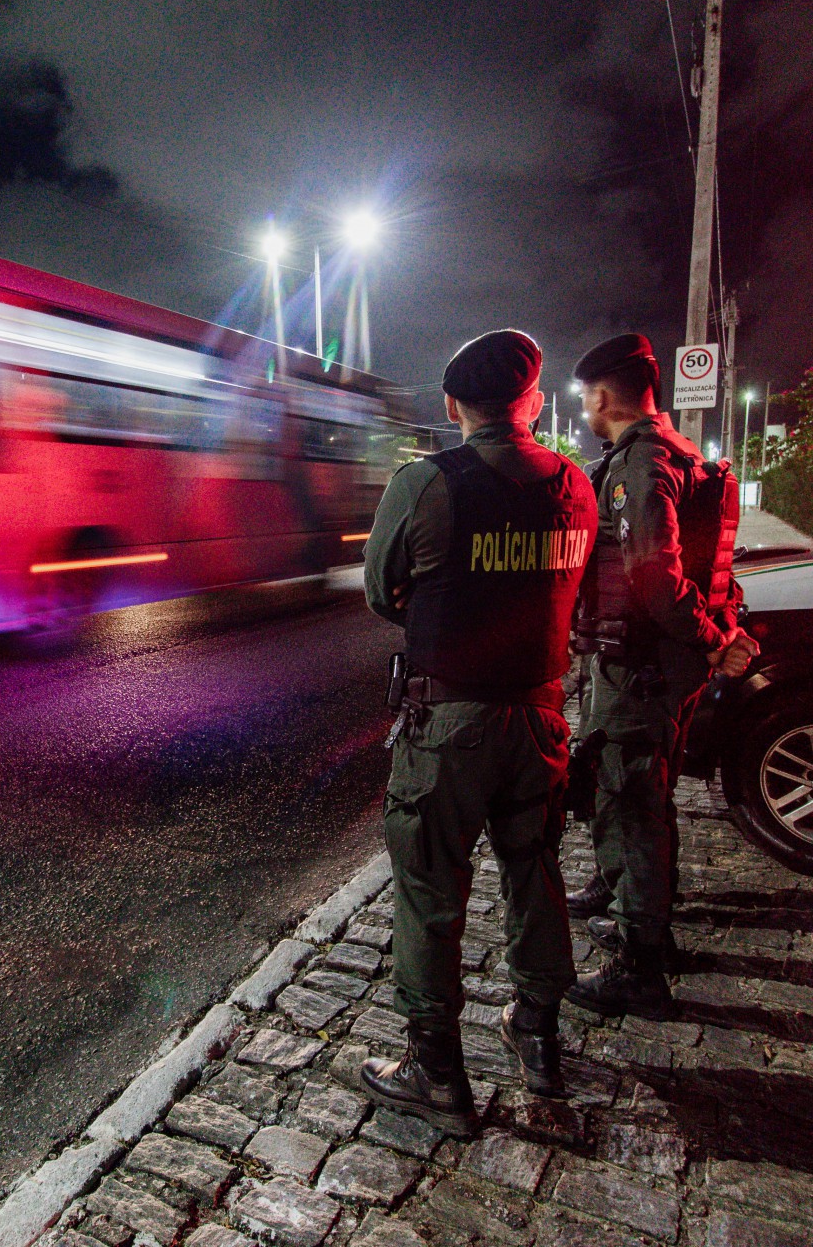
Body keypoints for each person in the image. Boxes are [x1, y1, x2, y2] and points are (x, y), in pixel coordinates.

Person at [359, 329, 598, 1133]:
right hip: (540, 717)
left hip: (449, 720)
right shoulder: (577, 482)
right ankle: (539, 1037)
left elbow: (382, 594)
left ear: (454, 406)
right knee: (535, 872)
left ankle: (436, 1073)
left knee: (430, 886)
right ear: (531, 404)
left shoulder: (425, 482)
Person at [564, 333, 758, 1019]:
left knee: (633, 804)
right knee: (639, 798)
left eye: (586, 397)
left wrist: (711, 642)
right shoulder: (675, 455)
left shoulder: (639, 466)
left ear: (602, 397)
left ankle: (640, 969)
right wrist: (712, 643)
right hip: (659, 669)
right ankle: (632, 915)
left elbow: (655, 577)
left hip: (643, 668)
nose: (585, 408)